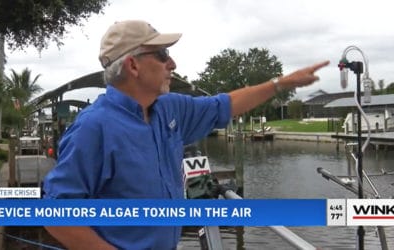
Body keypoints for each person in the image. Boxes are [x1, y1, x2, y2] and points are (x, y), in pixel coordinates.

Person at [43, 20, 329, 249]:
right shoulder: (93, 128)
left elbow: (224, 105)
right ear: (133, 65)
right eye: (163, 54)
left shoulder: (170, 109)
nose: (173, 64)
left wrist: (281, 83)